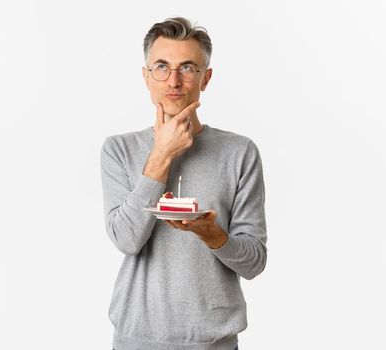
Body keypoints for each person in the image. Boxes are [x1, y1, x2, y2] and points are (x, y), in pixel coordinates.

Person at [100, 17, 267, 350]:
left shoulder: (239, 152)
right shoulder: (118, 150)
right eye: (161, 66)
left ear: (205, 79)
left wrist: (213, 235)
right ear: (146, 77)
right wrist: (162, 155)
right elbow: (126, 239)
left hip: (214, 341)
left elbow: (254, 262)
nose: (173, 80)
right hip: (136, 339)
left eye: (187, 67)